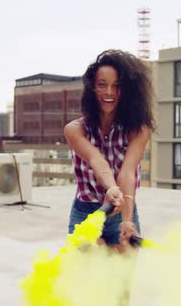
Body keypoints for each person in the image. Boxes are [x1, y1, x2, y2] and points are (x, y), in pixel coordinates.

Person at [64, 49, 155, 251]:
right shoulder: (74, 130)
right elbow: (97, 160)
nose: (109, 92)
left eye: (117, 86)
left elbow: (128, 171)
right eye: (102, 85)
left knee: (122, 279)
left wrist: (127, 220)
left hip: (123, 212)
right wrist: (111, 188)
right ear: (92, 88)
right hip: (85, 214)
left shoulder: (138, 130)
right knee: (91, 273)